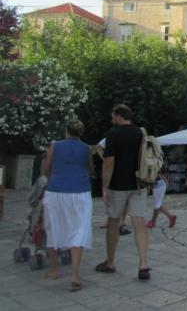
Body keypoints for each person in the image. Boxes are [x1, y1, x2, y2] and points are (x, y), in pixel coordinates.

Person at [95, 104, 151, 281]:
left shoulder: (113, 133)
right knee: (139, 222)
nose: (112, 119)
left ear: (119, 117)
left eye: (113, 116)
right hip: (138, 183)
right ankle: (143, 264)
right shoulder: (140, 133)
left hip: (118, 184)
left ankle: (110, 262)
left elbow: (109, 162)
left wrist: (104, 187)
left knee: (113, 221)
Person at [42, 120, 93, 292]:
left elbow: (46, 169)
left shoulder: (55, 146)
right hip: (80, 191)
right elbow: (90, 169)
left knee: (53, 227)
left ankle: (54, 270)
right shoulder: (86, 148)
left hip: (56, 189)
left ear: (66, 131)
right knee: (79, 230)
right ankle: (74, 274)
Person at [94, 143, 131, 235]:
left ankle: (119, 221)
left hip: (121, 169)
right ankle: (116, 221)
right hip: (119, 170)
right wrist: (105, 158)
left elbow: (98, 147)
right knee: (116, 196)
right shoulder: (112, 137)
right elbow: (98, 147)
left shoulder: (114, 138)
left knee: (121, 197)